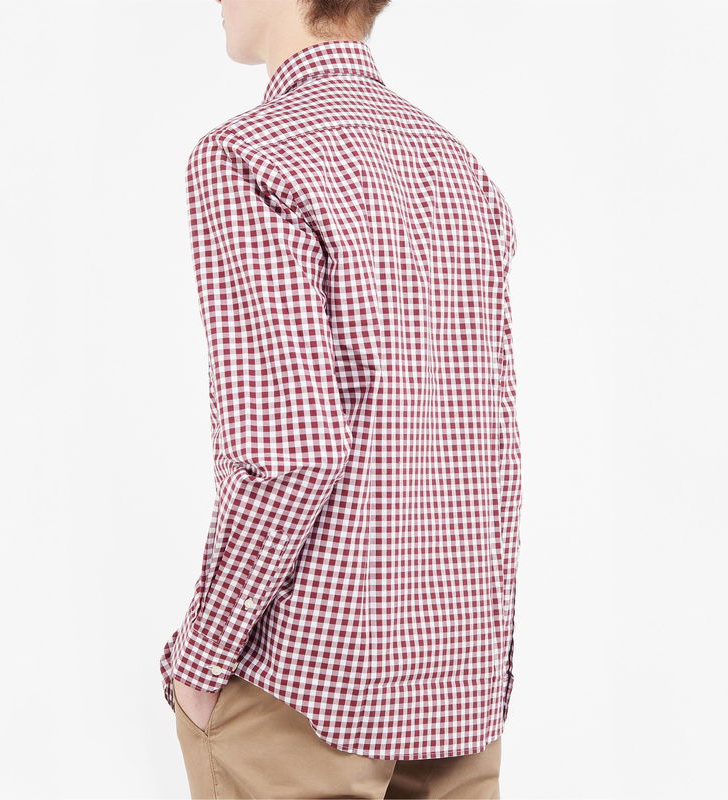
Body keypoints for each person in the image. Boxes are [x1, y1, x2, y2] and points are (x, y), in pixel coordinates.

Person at [159, 0, 521, 797]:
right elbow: (493, 446)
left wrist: (199, 659)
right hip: (458, 683)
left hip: (304, 694)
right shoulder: (459, 167)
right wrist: (487, 668)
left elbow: (290, 455)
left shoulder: (248, 156)